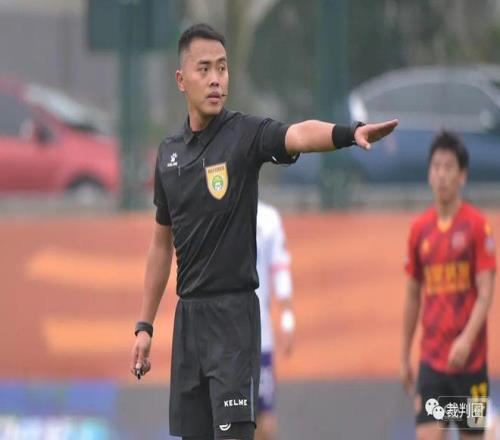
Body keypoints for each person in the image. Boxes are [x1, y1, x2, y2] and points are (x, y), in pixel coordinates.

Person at [130, 23, 398, 440]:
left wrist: (349, 134)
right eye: (205, 69)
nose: (216, 79)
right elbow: (161, 246)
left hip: (235, 320)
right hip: (189, 323)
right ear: (181, 80)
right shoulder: (168, 155)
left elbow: (297, 135)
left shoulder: (244, 134)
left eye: (222, 68)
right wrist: (145, 326)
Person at [401, 131, 496, 440]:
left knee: (472, 433)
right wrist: (404, 356)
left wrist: (466, 339)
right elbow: (412, 295)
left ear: (462, 175)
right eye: (436, 166)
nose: (442, 174)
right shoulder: (419, 230)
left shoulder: (477, 227)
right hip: (433, 362)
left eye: (449, 167)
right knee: (428, 433)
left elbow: (485, 293)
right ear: (429, 173)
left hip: (471, 364)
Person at [255, 200, 294, 440]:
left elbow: (280, 268)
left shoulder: (268, 218)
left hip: (260, 335)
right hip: (223, 334)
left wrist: (287, 319)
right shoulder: (215, 208)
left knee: (265, 421)